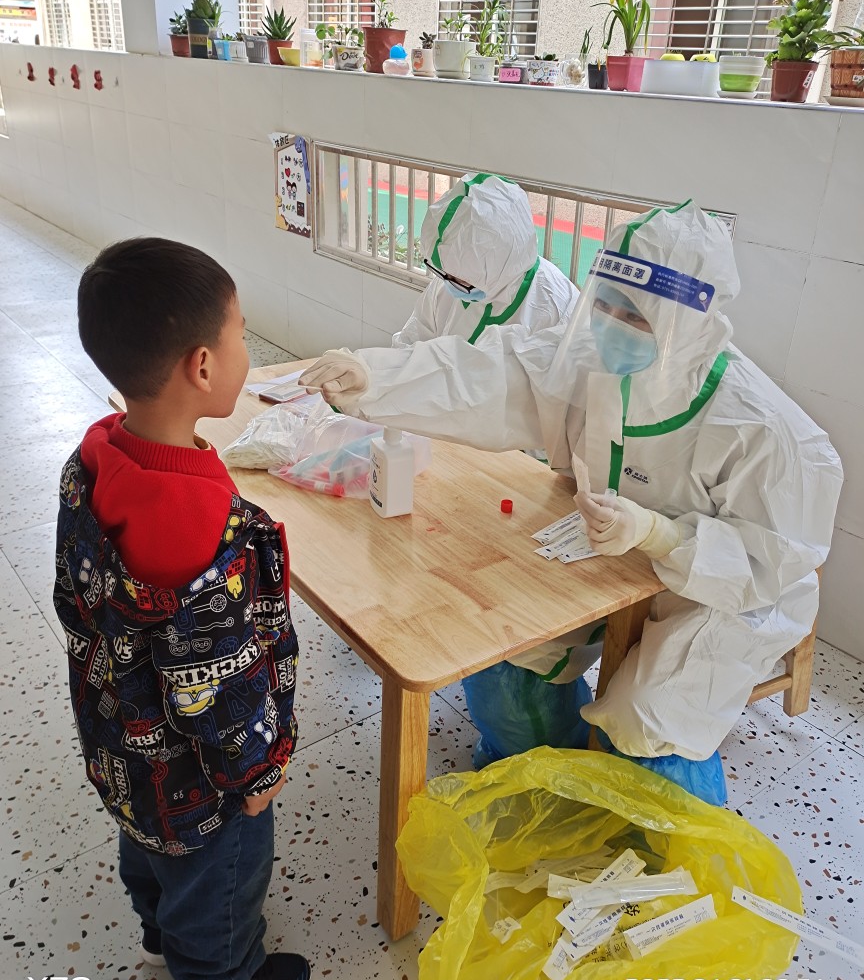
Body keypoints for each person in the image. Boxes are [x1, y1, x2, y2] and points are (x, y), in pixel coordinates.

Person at [299, 201, 843, 805]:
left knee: (648, 724)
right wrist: (376, 377)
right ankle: (545, 785)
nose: (610, 325)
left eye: (633, 316)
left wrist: (661, 535)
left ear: (689, 321)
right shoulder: (590, 359)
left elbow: (772, 561)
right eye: (603, 304)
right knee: (512, 651)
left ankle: (655, 843)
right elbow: (491, 375)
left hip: (722, 592)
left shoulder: (764, 430)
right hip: (599, 543)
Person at [54, 239, 311, 980]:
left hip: (121, 737)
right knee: (220, 867)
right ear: (202, 366)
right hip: (202, 776)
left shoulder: (98, 454)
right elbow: (216, 688)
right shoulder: (196, 528)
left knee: (149, 840)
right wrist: (255, 774)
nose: (245, 349)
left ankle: (157, 933)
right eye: (241, 334)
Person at [391, 173, 577, 349]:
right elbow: (409, 342)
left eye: (461, 280)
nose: (449, 283)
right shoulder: (447, 283)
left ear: (499, 270)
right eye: (443, 273)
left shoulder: (557, 310)